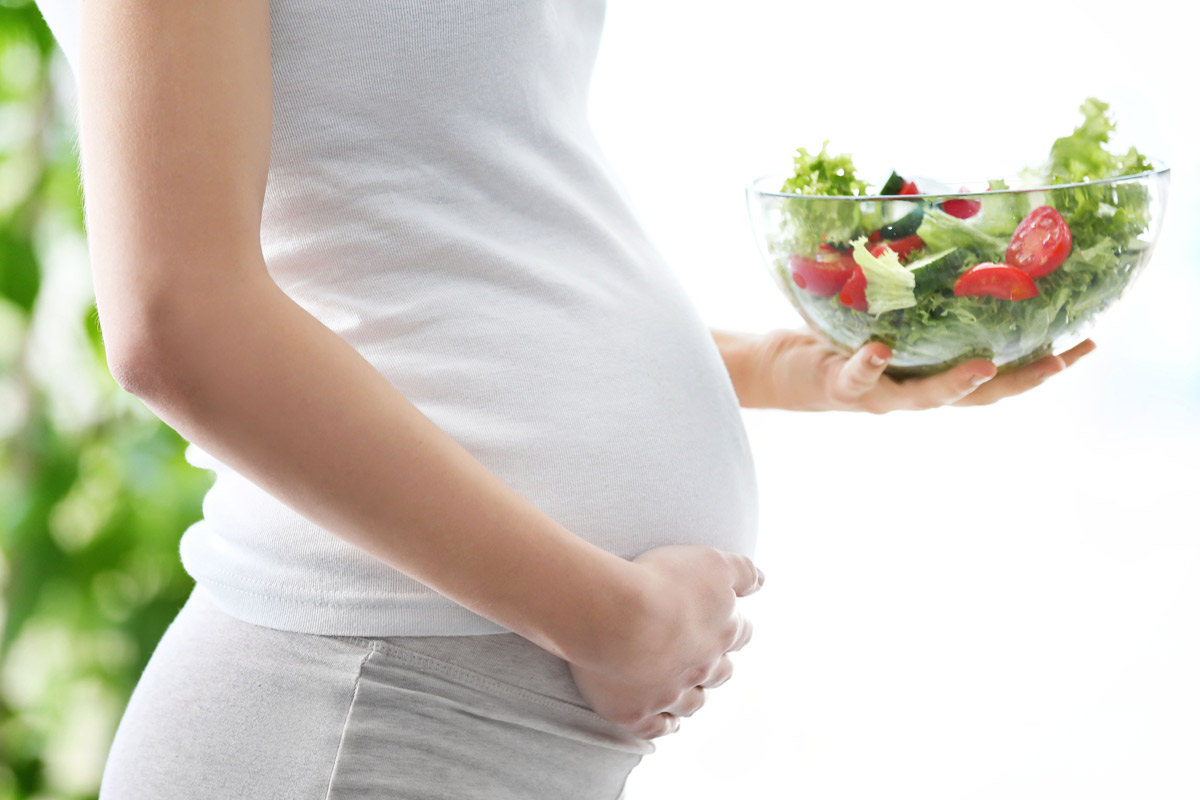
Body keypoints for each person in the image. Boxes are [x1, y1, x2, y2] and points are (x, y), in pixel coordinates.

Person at [34, 0, 1094, 797]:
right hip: (361, 714)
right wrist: (610, 618)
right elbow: (178, 321)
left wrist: (767, 369)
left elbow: (433, 224)